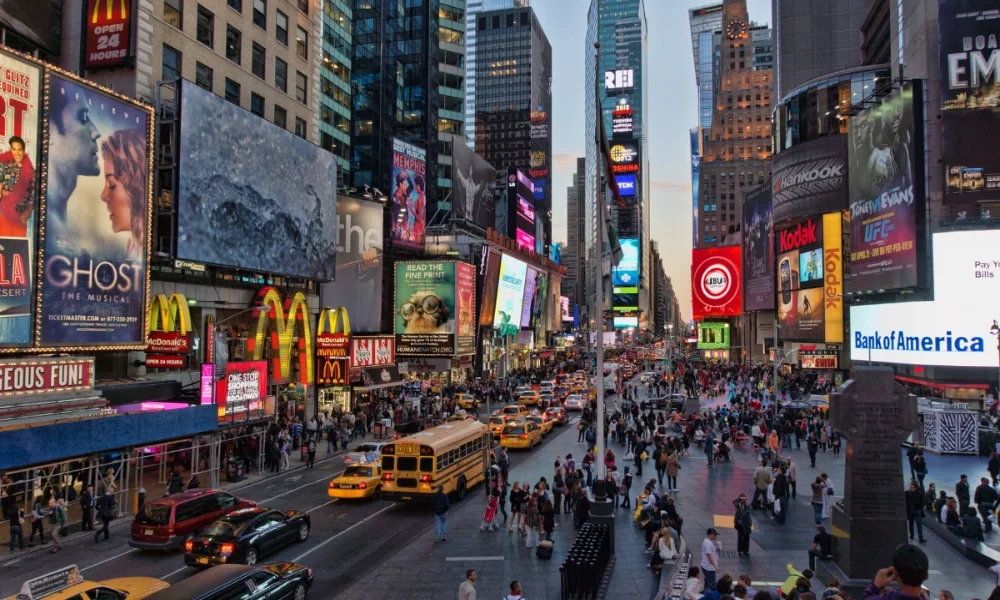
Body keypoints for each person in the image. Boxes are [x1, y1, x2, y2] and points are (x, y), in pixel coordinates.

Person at [100, 129, 148, 261]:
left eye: (112, 185)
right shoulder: (133, 249)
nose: (103, 196)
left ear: (136, 187)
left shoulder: (141, 254)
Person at [0, 136, 36, 239]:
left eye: (19, 149)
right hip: (4, 215)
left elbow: (34, 195)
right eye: (14, 149)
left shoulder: (31, 171)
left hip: (21, 217)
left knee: (19, 249)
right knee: (4, 248)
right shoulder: (4, 166)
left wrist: (29, 210)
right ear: (11, 150)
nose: (17, 153)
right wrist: (4, 192)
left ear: (24, 150)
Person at [700, 528, 720, 592]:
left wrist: (716, 550)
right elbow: (709, 556)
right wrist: (715, 566)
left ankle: (705, 595)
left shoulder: (707, 541)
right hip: (709, 568)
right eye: (714, 535)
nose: (715, 536)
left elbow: (710, 553)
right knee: (712, 585)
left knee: (707, 583)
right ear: (711, 534)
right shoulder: (708, 543)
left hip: (706, 566)